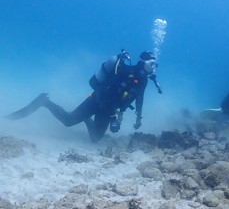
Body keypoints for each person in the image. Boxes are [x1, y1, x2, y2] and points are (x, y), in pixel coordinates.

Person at [6, 50, 161, 142]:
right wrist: (113, 118)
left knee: (95, 138)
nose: (154, 68)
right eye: (152, 64)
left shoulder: (143, 80)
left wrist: (138, 117)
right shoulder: (126, 72)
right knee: (68, 121)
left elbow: (139, 97)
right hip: (97, 100)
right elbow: (109, 93)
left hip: (109, 109)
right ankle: (44, 101)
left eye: (155, 65)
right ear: (143, 62)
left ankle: (86, 118)